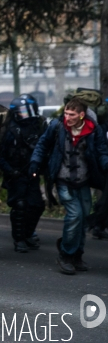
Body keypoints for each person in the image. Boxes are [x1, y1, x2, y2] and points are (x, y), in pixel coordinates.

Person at [30, 98, 108, 274]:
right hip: (62, 179)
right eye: (65, 113)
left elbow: (102, 152)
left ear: (81, 115)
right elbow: (42, 144)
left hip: (84, 180)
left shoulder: (94, 130)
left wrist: (105, 164)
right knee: (75, 215)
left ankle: (77, 255)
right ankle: (65, 254)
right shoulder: (57, 127)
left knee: (84, 218)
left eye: (71, 114)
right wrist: (35, 162)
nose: (67, 117)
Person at [0, 95, 46, 253]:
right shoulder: (8, 129)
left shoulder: (36, 126)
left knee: (37, 205)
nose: (28, 114)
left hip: (31, 172)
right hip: (15, 174)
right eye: (24, 111)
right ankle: (19, 239)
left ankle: (27, 234)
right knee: (20, 206)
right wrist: (10, 171)